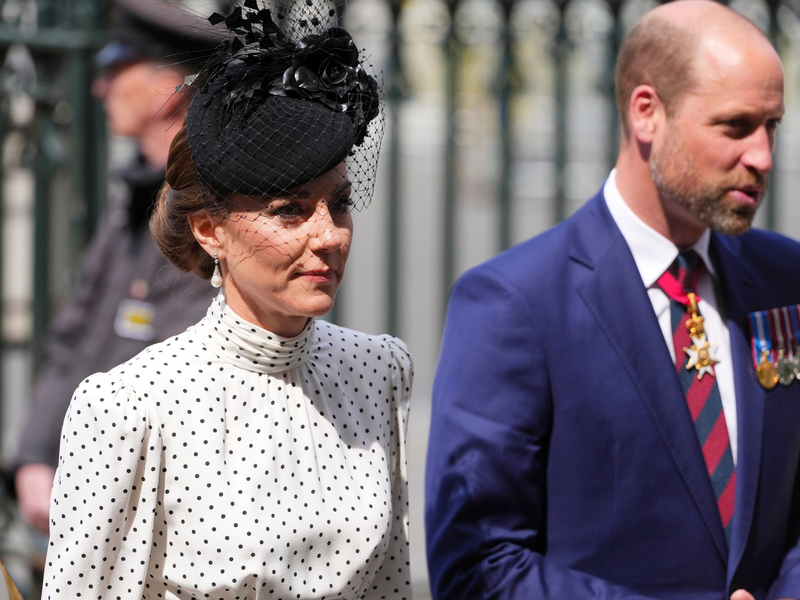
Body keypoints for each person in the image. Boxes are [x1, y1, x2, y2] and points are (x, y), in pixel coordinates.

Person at [426, 2, 800, 599]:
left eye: (771, 126)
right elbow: (478, 566)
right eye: (734, 126)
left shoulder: (788, 279)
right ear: (647, 113)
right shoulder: (515, 303)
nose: (762, 157)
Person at [42, 2, 413, 599]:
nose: (329, 234)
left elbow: (390, 582)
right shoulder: (129, 407)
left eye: (338, 202)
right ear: (210, 229)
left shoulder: (379, 370)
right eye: (288, 210)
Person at [12, 0, 221, 535]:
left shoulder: (209, 212)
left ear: (169, 83)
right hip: (82, 495)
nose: (99, 88)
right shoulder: (136, 196)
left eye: (115, 69)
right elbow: (73, 335)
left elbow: (177, 371)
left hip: (154, 506)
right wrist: (36, 455)